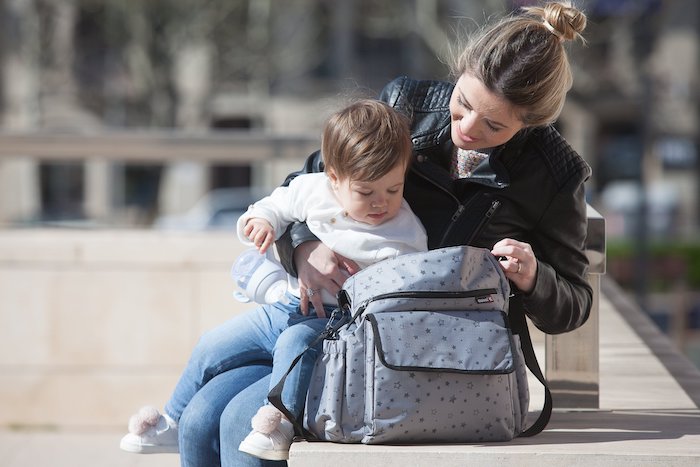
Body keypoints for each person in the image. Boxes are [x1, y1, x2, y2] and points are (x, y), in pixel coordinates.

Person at [171, 2, 594, 466]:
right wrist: (304, 250)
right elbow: (311, 181)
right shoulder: (406, 104)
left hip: (429, 353)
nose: (467, 129)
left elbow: (574, 303)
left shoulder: (557, 174)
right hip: (329, 318)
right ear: (459, 73)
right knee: (198, 417)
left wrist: (533, 277)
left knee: (235, 421)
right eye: (464, 103)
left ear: (530, 123)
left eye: (494, 124)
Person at [119, 99, 428, 461]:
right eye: (366, 192)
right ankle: (171, 418)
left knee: (293, 344)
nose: (382, 203)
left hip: (332, 327)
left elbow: (406, 293)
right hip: (283, 307)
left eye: (394, 189)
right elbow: (275, 205)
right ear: (334, 178)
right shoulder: (313, 189)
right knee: (212, 343)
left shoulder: (406, 233)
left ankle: (278, 422)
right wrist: (262, 222)